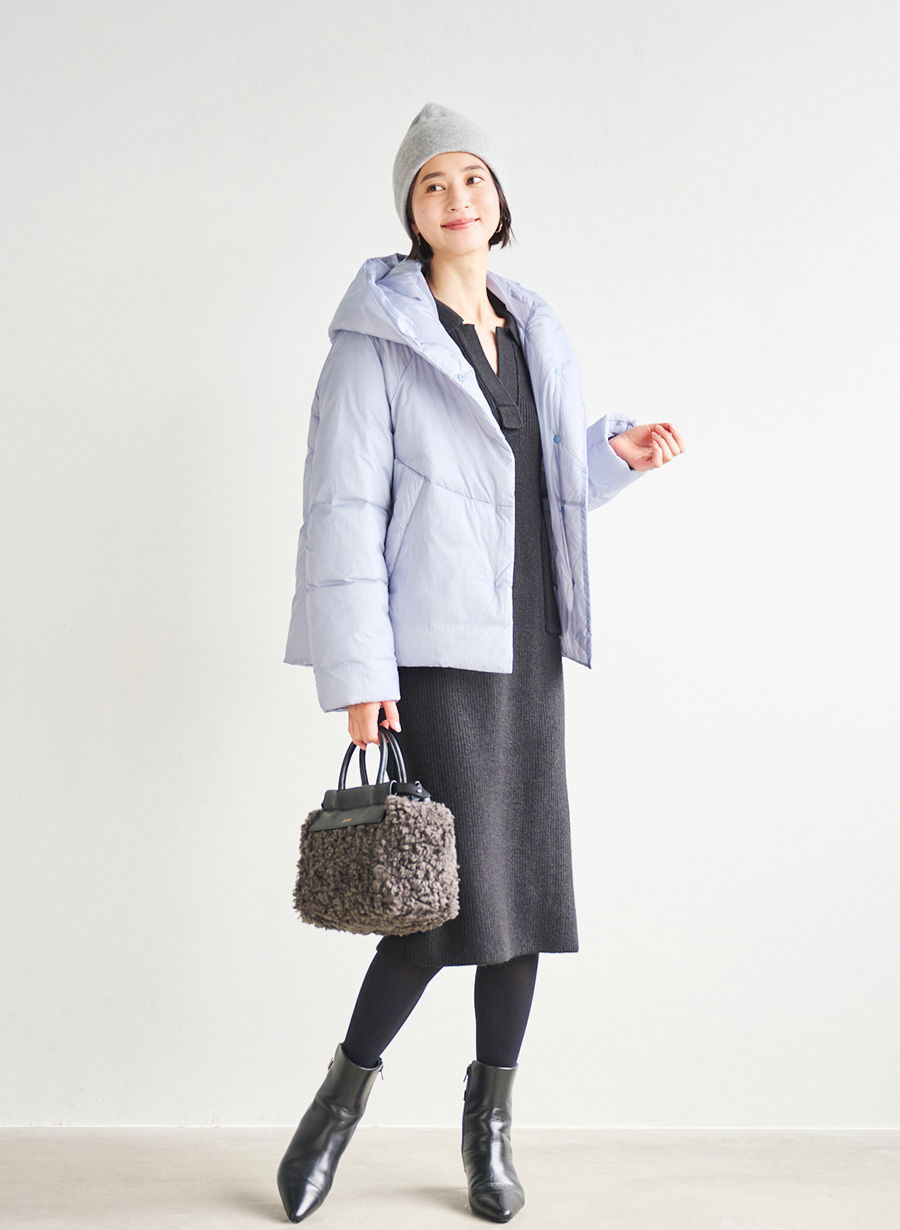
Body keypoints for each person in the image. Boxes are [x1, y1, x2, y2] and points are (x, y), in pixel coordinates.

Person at [277, 102, 685, 1225]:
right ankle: (338, 1103)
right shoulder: (374, 342)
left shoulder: (537, 327)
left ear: (499, 201)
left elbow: (532, 487)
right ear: (411, 213)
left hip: (528, 647)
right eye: (432, 184)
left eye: (473, 178)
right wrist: (362, 679)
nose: (457, 197)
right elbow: (341, 515)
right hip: (434, 658)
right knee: (434, 905)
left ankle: (489, 1128)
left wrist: (613, 458)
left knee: (526, 895)